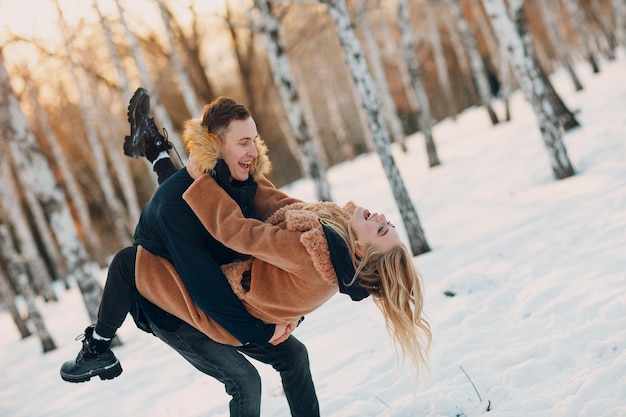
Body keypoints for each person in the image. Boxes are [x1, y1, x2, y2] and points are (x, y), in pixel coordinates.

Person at [60, 90, 320, 417]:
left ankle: (154, 148)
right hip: (170, 303)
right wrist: (263, 331)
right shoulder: (175, 206)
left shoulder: (237, 182)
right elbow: (205, 287)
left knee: (294, 355)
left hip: (216, 284)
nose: (253, 151)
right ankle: (96, 347)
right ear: (214, 144)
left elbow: (268, 250)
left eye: (255, 140)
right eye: (242, 142)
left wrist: (289, 310)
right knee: (245, 380)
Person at [136, 156, 432, 377]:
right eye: (389, 224)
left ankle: (165, 165)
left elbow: (239, 233)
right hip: (241, 274)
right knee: (207, 202)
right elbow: (277, 203)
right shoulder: (332, 232)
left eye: (382, 231)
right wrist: (247, 163)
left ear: (359, 250)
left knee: (178, 220)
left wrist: (204, 179)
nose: (383, 218)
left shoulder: (316, 252)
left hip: (226, 291)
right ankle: (165, 163)